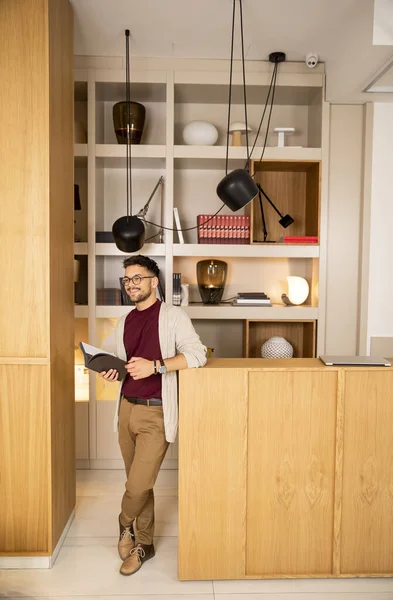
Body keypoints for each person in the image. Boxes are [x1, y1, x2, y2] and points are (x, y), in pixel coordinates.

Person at [100, 255, 207, 576]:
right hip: (126, 410)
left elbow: (197, 354)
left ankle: (123, 522)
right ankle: (143, 544)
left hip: (156, 413)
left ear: (153, 282)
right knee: (140, 484)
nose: (131, 284)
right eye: (127, 280)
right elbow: (113, 358)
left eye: (137, 278)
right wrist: (110, 370)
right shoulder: (124, 321)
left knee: (137, 485)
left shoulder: (173, 316)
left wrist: (156, 365)